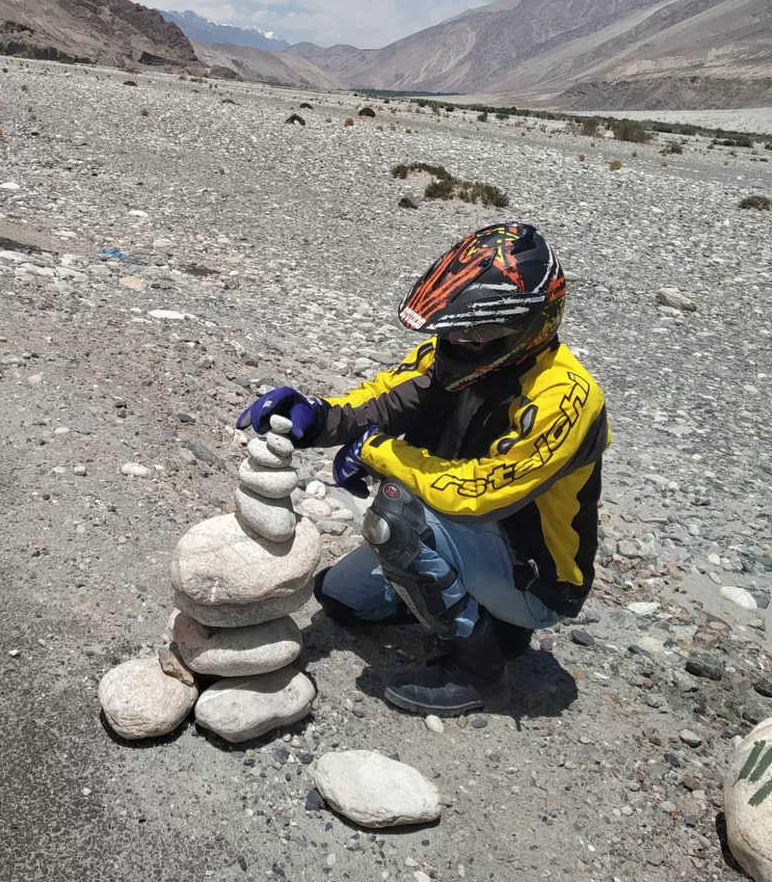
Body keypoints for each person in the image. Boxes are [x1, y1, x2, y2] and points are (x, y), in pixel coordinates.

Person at [238, 222, 609, 717]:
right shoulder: (450, 360)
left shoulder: (563, 397)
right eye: (455, 328)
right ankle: (497, 628)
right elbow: (383, 399)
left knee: (396, 518)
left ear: (531, 323)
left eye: (478, 332)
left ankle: (482, 676)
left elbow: (478, 492)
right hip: (477, 544)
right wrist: (317, 416)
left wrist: (377, 453)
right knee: (342, 598)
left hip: (537, 576)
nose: (461, 340)